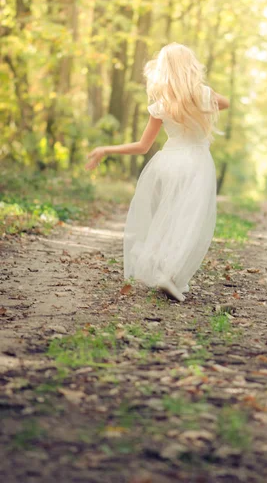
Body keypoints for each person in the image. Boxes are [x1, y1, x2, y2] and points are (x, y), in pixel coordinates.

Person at [85, 43, 229, 301]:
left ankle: (165, 270)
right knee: (189, 220)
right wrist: (201, 94)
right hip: (196, 163)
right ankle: (170, 273)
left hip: (169, 162)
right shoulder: (204, 96)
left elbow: (142, 147)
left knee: (167, 215)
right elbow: (226, 103)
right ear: (190, 67)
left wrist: (106, 149)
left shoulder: (162, 105)